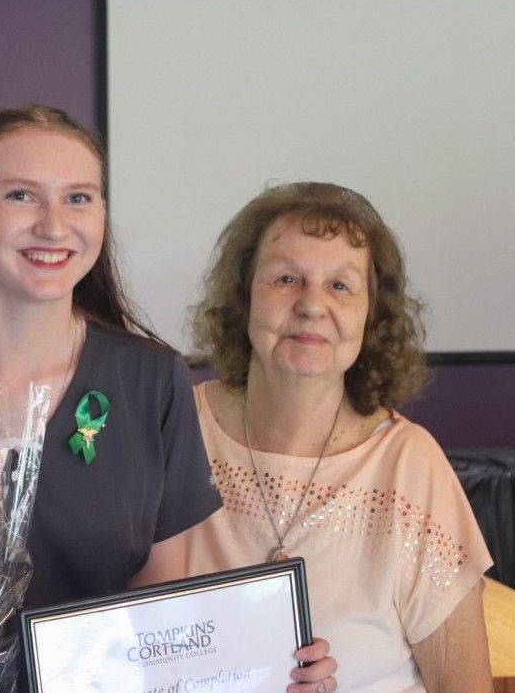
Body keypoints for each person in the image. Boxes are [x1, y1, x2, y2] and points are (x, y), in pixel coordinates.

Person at [0, 105, 336, 691]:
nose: (54, 226)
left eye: (79, 198)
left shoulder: (152, 381)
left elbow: (162, 624)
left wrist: (268, 665)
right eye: (21, 196)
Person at [185, 181, 493, 692]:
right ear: (243, 299)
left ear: (370, 317)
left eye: (340, 286)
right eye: (286, 278)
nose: (311, 305)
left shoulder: (408, 466)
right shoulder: (175, 430)